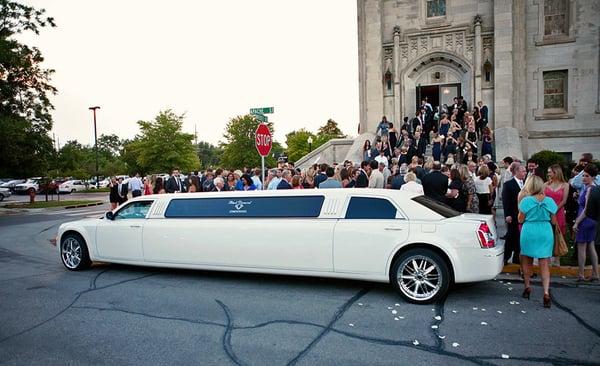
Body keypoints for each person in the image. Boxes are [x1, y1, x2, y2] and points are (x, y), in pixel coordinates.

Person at [518, 175, 558, 308]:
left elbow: (520, 220)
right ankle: (546, 292)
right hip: (545, 231)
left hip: (529, 230)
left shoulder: (525, 201)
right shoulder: (550, 201)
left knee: (526, 259)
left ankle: (527, 286)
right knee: (544, 262)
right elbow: (553, 221)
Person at [573, 164, 599, 281]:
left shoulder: (589, 189)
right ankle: (595, 274)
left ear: (593, 177)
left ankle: (581, 274)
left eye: (586, 176)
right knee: (591, 245)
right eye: (583, 175)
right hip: (593, 220)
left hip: (585, 219)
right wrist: (577, 198)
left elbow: (586, 209)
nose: (583, 178)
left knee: (582, 247)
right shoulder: (595, 188)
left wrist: (576, 222)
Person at [543, 164, 569, 266]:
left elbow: (564, 200)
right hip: (546, 214)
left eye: (549, 172)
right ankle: (547, 257)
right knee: (548, 235)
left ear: (556, 172)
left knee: (558, 234)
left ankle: (557, 258)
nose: (548, 173)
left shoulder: (565, 185)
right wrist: (548, 211)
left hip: (559, 213)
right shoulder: (545, 185)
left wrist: (554, 210)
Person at [502, 163, 526, 265]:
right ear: (516, 172)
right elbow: (505, 200)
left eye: (525, 171)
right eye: (523, 171)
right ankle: (505, 257)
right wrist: (507, 215)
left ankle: (517, 258)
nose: (525, 173)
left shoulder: (526, 183)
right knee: (511, 236)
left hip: (523, 215)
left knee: (520, 237)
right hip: (512, 214)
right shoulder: (508, 184)